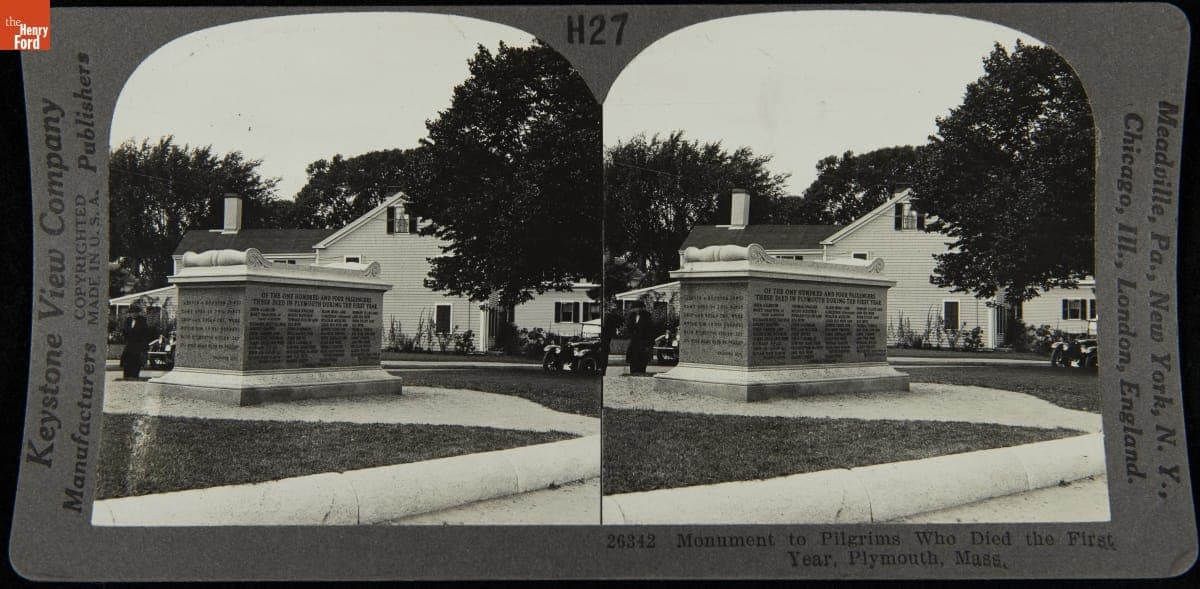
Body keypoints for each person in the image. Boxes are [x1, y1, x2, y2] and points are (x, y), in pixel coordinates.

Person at [120, 305, 154, 380]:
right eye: (132, 313)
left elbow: (145, 333)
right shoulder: (128, 320)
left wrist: (143, 344)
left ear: (138, 313)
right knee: (127, 359)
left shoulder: (142, 320)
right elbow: (125, 331)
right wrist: (125, 337)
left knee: (136, 360)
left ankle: (135, 375)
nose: (133, 314)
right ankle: (127, 375)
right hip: (130, 343)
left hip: (138, 344)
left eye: (135, 313)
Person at [623, 301, 655, 375]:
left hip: (643, 344)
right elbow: (629, 328)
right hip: (634, 344)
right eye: (634, 308)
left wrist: (649, 345)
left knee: (641, 366)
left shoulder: (647, 317)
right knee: (633, 364)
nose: (635, 310)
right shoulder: (631, 317)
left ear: (641, 308)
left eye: (636, 308)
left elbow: (651, 332)